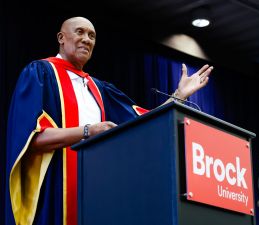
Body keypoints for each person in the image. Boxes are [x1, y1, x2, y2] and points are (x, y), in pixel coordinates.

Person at [5, 16, 213, 225]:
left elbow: (144, 121)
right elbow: (32, 138)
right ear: (61, 37)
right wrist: (89, 131)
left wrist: (179, 95)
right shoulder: (41, 73)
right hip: (56, 194)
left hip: (97, 196)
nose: (87, 39)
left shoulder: (99, 89)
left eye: (92, 36)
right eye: (80, 32)